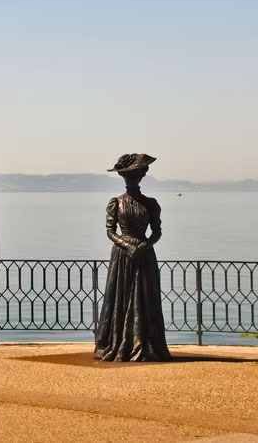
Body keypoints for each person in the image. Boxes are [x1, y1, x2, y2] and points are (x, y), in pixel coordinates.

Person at [94, 153, 172, 362]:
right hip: (122, 256)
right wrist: (128, 246)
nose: (132, 180)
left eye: (135, 176)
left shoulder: (151, 204)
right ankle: (117, 343)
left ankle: (145, 344)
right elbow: (110, 231)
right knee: (120, 297)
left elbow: (157, 232)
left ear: (141, 177)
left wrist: (145, 245)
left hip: (145, 256)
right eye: (129, 176)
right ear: (124, 178)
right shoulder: (116, 203)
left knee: (145, 298)